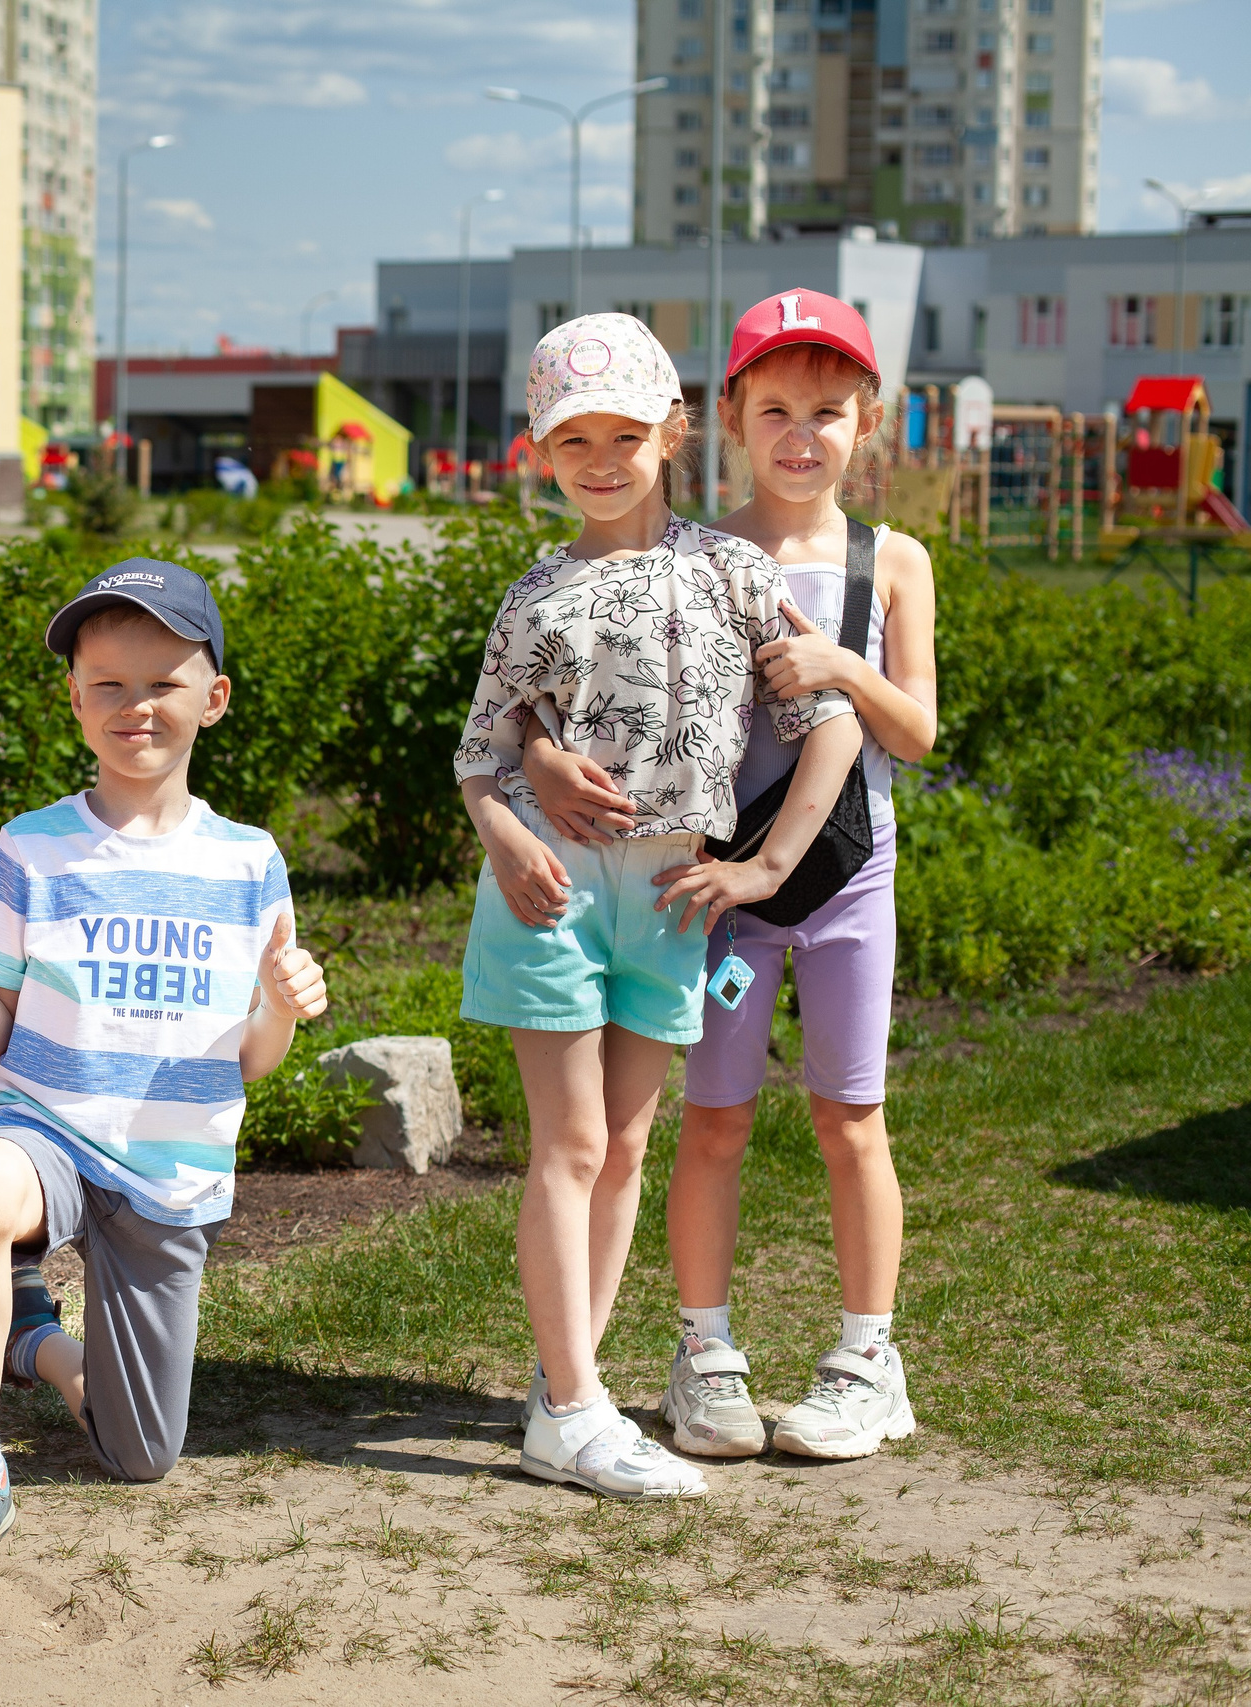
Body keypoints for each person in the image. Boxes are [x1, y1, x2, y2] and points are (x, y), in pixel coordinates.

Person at [453, 313, 861, 1500]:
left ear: (673, 432)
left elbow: (829, 724)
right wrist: (509, 830)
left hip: (677, 897)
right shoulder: (534, 596)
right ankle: (576, 1409)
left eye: (624, 435)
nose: (600, 460)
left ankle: (562, 1393)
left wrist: (765, 869)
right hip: (552, 888)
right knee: (572, 1143)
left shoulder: (735, 574)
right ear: (540, 451)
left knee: (625, 1145)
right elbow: (479, 758)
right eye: (572, 440)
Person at [521, 292, 935, 1461]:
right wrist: (542, 759)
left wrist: (842, 666)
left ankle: (867, 1361)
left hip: (847, 885)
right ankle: (704, 1352)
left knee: (851, 1119)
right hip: (716, 900)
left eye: (827, 412)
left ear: (867, 422)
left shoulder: (892, 561)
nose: (801, 436)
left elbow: (914, 733)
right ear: (731, 419)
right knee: (713, 1123)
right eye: (776, 411)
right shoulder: (700, 556)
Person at [0, 560, 331, 1603]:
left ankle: (32, 1337)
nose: (134, 706)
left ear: (212, 698)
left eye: (161, 683)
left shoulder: (249, 862)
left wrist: (281, 1004)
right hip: (46, 1130)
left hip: (169, 1173)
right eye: (108, 684)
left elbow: (250, 1060)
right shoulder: (32, 847)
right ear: (75, 698)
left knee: (139, 1456)